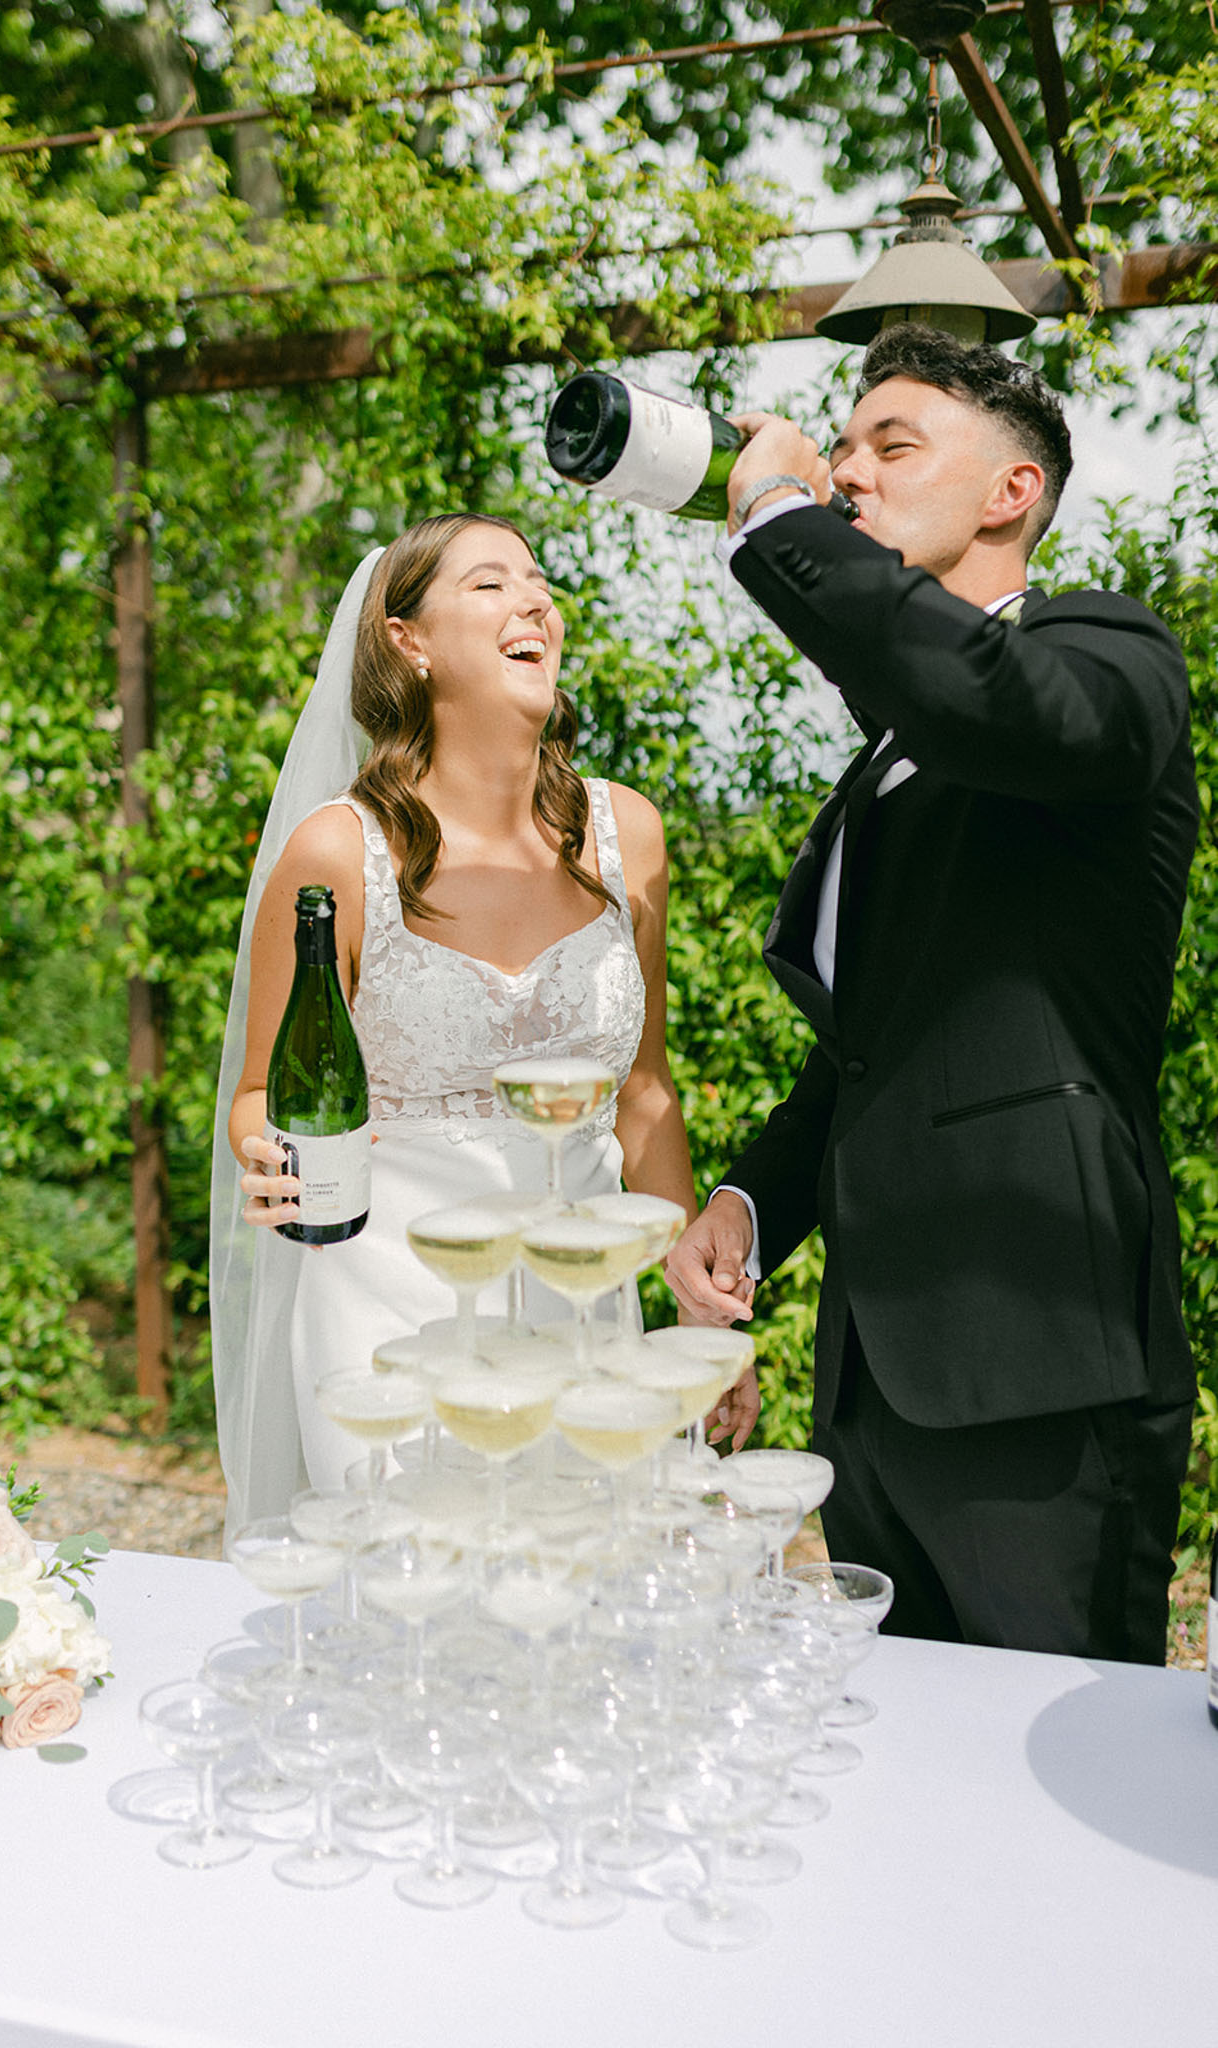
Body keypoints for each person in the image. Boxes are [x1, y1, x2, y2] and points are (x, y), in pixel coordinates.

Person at [664, 325, 1198, 1664]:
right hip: (873, 1384)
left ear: (1012, 492)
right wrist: (746, 1204)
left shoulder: (1106, 659)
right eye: (836, 452)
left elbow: (981, 690)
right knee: (906, 1789)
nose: (848, 473)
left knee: (1050, 1800)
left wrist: (779, 516)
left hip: (1036, 1366)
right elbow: (878, 1055)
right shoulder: (903, 760)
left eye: (890, 447)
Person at [212, 513, 709, 1534]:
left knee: (581, 1612)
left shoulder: (628, 835)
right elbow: (262, 1088)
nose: (534, 599)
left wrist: (689, 1297)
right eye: (490, 584)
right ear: (409, 640)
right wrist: (265, 1150)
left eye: (537, 580)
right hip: (385, 1311)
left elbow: (645, 1090)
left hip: (584, 1311)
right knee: (413, 1618)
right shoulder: (338, 852)